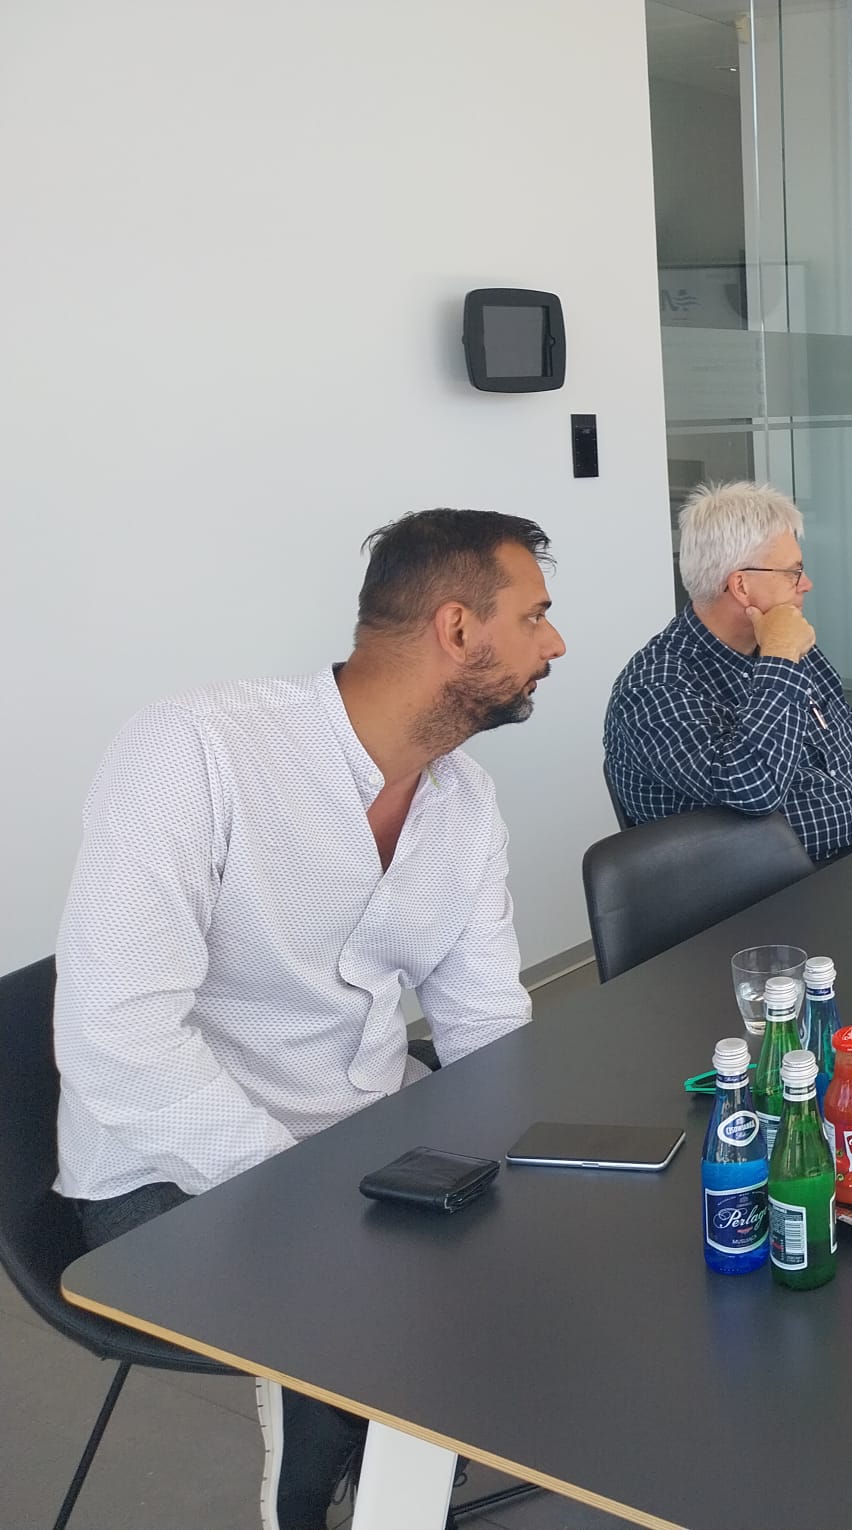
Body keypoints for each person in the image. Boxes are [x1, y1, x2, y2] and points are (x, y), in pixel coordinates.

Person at [54, 508, 566, 1530]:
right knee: (385, 1292)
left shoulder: (463, 802)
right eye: (536, 616)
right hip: (169, 1174)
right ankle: (335, 1458)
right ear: (457, 629)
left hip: (365, 1136)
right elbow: (116, 1036)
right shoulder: (195, 750)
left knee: (542, 1241)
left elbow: (486, 1021)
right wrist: (312, 1201)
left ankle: (393, 1452)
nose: (554, 643)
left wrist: (534, 1161)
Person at [605, 480, 852, 861]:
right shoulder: (653, 688)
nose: (807, 584)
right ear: (741, 585)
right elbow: (753, 788)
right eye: (793, 572)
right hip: (771, 889)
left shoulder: (786, 648)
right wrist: (781, 657)